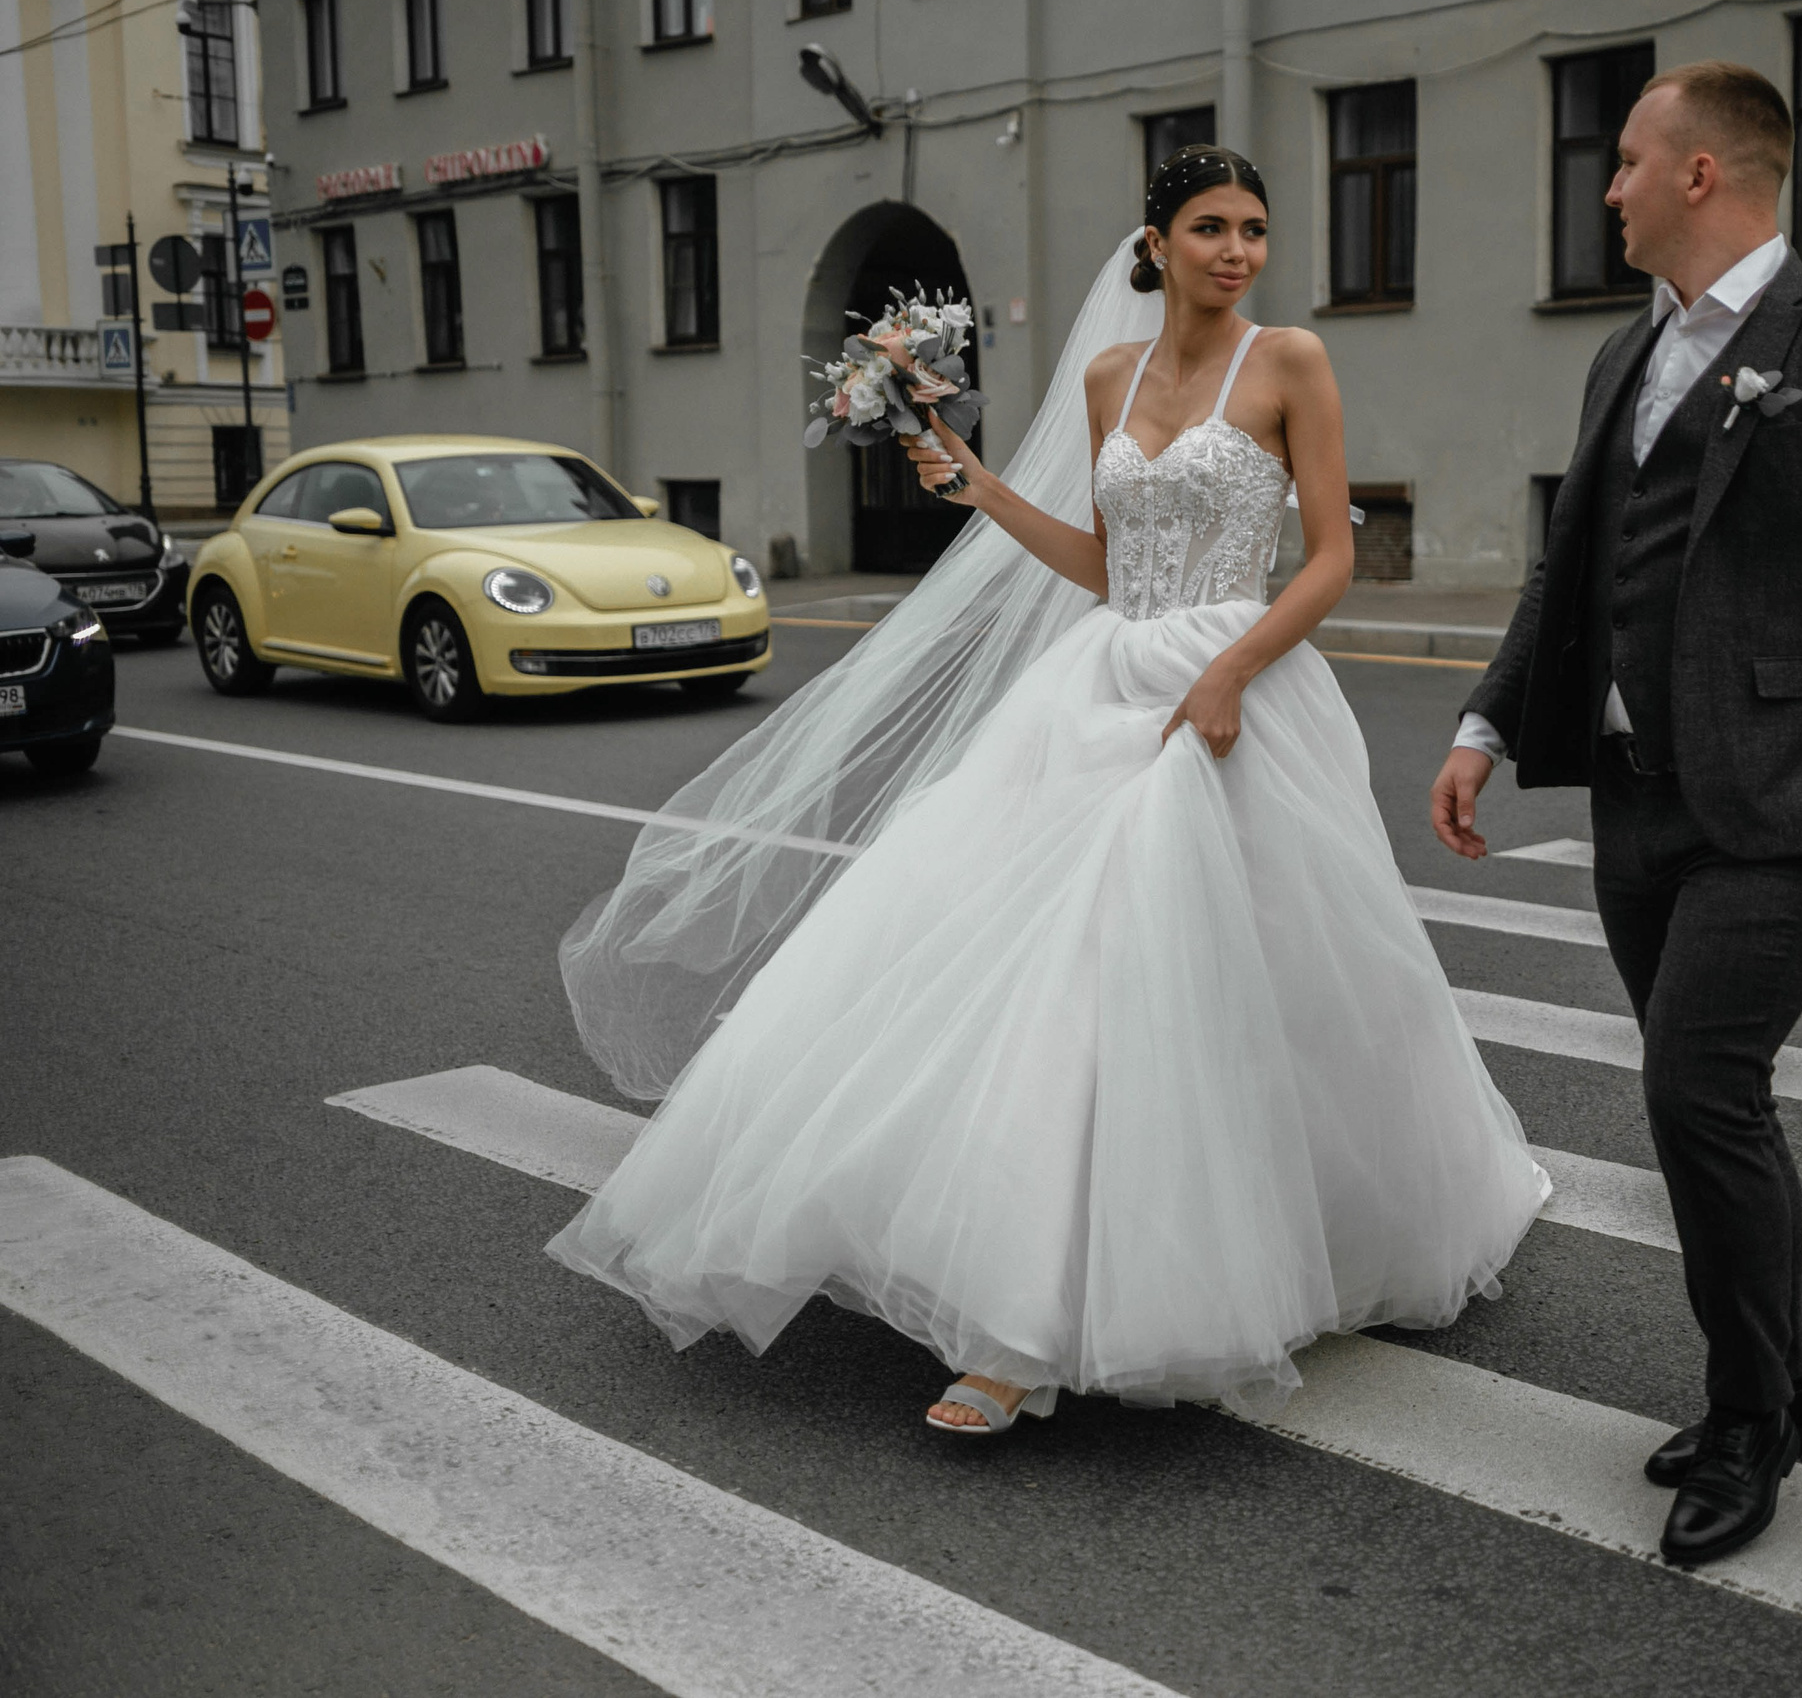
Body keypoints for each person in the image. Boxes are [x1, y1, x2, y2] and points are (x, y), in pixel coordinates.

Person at [549, 146, 1549, 1435]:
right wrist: (980, 491)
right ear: (1156, 240)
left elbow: (1333, 558)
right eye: (1209, 228)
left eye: (1252, 229)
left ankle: (1253, 1243)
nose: (1237, 251)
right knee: (1044, 971)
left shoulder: (1290, 361)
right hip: (1103, 680)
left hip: (1234, 682)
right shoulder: (1106, 377)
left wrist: (1235, 668)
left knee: (1229, 975)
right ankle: (1016, 1315)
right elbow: (1105, 562)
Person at [1429, 63, 1802, 1563]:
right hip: (1637, 802)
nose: (1602, 188)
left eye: (1623, 162)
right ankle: (1792, 1382)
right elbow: (1570, 569)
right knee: (1716, 1109)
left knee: (1694, 1091)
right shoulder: (1625, 354)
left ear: (1701, 176)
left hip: (1790, 805)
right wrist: (1486, 718)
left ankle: (1746, 1423)